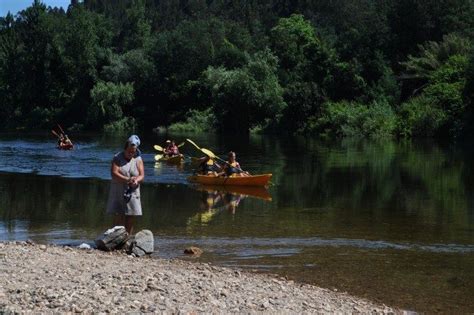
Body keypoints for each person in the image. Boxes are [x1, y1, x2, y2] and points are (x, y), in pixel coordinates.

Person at [106, 135, 145, 234]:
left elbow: (142, 175)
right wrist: (128, 179)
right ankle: (114, 238)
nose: (131, 153)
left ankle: (127, 238)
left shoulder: (138, 159)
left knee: (131, 216)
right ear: (125, 148)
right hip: (119, 189)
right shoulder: (117, 157)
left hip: (133, 191)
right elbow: (114, 174)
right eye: (129, 151)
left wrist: (136, 180)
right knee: (119, 214)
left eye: (133, 152)